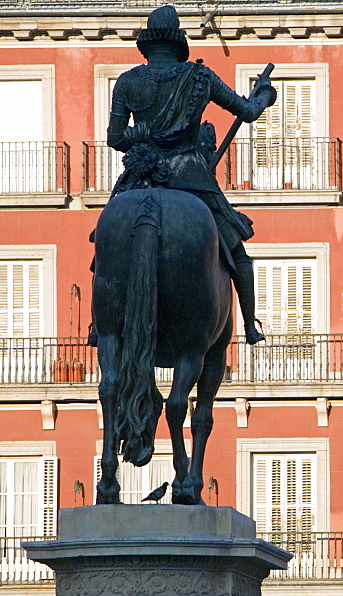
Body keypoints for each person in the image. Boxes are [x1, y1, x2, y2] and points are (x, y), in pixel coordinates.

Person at [99, 3, 274, 344]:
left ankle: (99, 325)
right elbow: (249, 112)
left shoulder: (128, 81)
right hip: (190, 177)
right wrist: (265, 93)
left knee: (103, 247)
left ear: (147, 45)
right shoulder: (200, 77)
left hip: (141, 177)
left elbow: (116, 138)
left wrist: (147, 134)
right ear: (179, 44)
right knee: (237, 251)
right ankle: (250, 325)